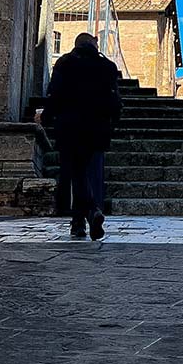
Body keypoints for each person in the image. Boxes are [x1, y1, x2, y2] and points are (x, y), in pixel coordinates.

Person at [42, 33, 121, 240]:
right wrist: (113, 121)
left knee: (76, 172)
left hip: (69, 128)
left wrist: (46, 117)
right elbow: (115, 100)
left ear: (76, 45)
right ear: (93, 45)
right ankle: (81, 220)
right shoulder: (107, 67)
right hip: (97, 129)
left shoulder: (65, 63)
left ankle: (89, 213)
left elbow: (54, 94)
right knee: (84, 172)